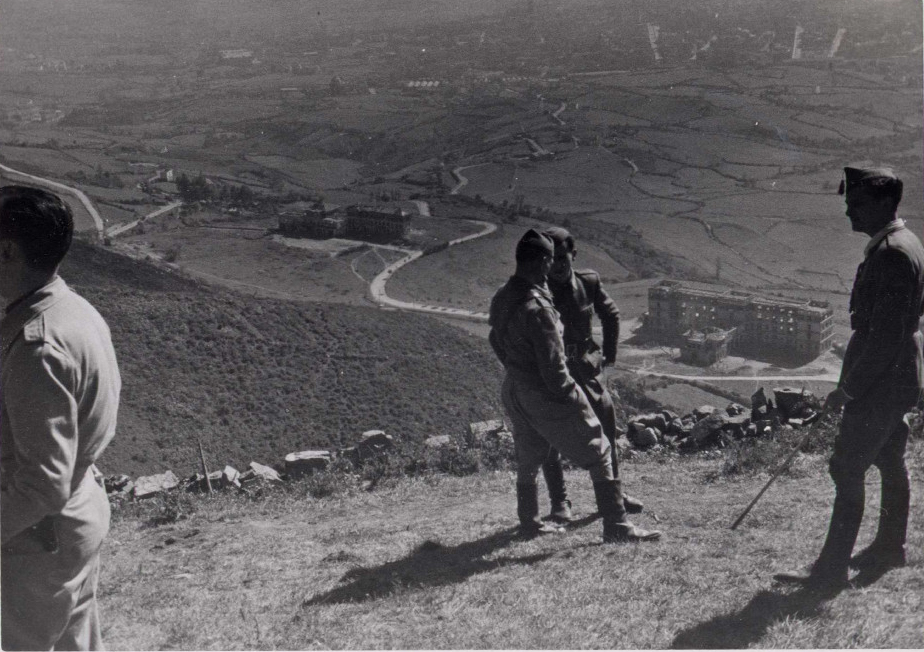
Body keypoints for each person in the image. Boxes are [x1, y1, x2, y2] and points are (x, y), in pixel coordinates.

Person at [774, 167, 924, 592]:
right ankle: (890, 547)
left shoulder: (892, 253)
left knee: (846, 465)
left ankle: (829, 570)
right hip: (897, 378)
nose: (847, 212)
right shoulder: (902, 243)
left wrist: (849, 388)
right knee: (890, 457)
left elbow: (885, 336)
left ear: (882, 203)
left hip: (880, 381)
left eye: (856, 204)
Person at [1, 185, 121, 650]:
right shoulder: (72, 308)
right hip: (74, 516)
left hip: (36, 538)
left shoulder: (36, 345)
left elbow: (41, 482)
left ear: (8, 250)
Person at [488, 229, 660, 542]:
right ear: (542, 261)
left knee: (529, 455)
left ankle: (530, 522)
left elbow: (493, 338)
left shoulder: (503, 295)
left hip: (515, 388)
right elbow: (555, 370)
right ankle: (618, 527)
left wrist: (517, 369)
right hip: (544, 391)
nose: (552, 268)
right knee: (601, 448)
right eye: (549, 261)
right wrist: (574, 399)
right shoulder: (540, 308)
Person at [538, 227, 643, 523]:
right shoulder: (536, 288)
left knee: (606, 427)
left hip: (585, 368)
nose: (557, 265)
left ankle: (614, 496)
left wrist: (609, 353)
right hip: (552, 369)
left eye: (562, 258)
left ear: (573, 255)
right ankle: (559, 502)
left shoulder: (588, 282)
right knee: (550, 434)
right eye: (551, 259)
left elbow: (611, 313)